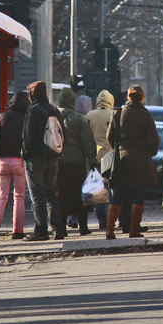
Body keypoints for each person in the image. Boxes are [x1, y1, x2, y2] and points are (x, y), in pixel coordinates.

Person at [106, 85, 159, 239]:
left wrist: (118, 149)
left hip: (121, 160)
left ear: (128, 97)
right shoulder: (146, 115)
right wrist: (150, 152)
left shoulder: (118, 113)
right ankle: (134, 230)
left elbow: (110, 136)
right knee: (138, 194)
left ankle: (110, 231)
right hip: (141, 161)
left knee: (117, 194)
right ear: (142, 98)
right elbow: (153, 140)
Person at [21, 81, 64, 241]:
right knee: (51, 194)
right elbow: (62, 133)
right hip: (52, 157)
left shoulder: (33, 111)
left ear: (32, 94)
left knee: (37, 195)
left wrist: (25, 154)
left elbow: (28, 137)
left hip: (35, 159)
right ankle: (58, 229)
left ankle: (41, 230)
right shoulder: (54, 110)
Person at [0, 92, 30, 241]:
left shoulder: (1, 117)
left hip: (1, 161)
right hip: (19, 161)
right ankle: (17, 230)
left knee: (1, 195)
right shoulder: (26, 118)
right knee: (19, 196)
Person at [56, 89, 98, 236]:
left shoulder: (52, 117)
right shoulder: (79, 119)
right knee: (78, 195)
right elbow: (88, 142)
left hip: (58, 163)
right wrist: (92, 160)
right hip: (76, 163)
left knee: (60, 196)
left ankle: (61, 228)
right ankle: (83, 227)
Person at [86, 90, 115, 229]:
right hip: (110, 156)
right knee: (114, 187)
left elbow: (87, 136)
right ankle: (115, 215)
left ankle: (102, 219)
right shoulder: (113, 114)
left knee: (99, 189)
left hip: (96, 156)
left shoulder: (90, 115)